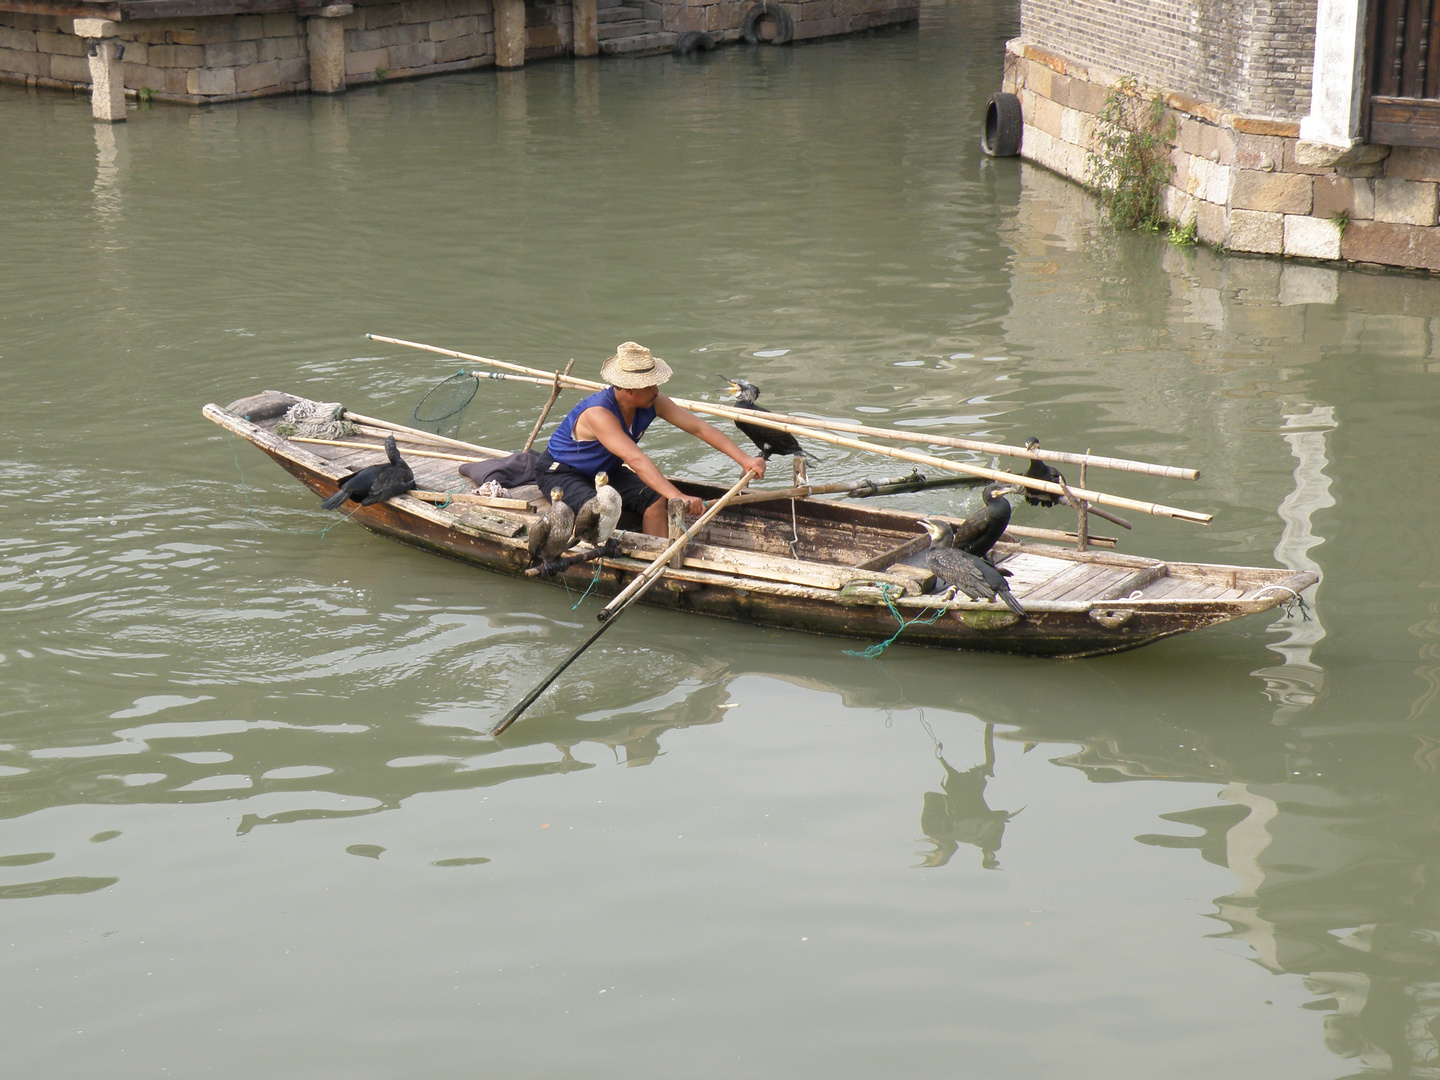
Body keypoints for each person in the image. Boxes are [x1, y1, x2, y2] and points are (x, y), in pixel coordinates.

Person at [535, 341, 766, 536]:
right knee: (598, 511)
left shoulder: (653, 400)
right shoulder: (599, 414)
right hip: (563, 472)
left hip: (605, 471)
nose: (656, 390)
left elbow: (699, 428)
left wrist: (745, 459)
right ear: (630, 390)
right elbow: (635, 460)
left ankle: (653, 558)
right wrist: (677, 495)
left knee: (655, 499)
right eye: (651, 385)